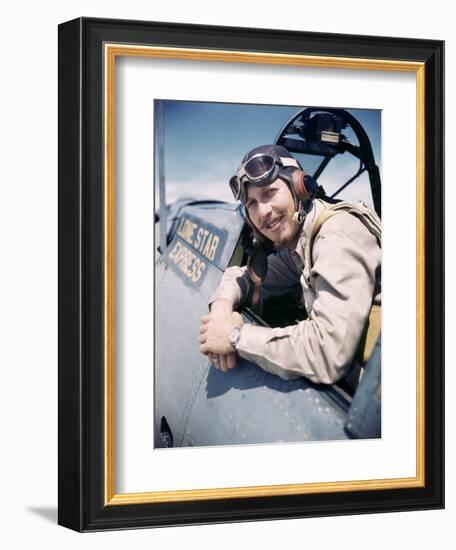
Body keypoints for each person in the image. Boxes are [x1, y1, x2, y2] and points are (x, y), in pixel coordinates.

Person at [199, 144, 381, 384]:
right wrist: (221, 312)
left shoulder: (335, 236)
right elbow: (242, 277)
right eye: (252, 203)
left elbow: (329, 354)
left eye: (269, 193)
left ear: (300, 188)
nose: (263, 211)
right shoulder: (302, 244)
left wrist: (235, 337)